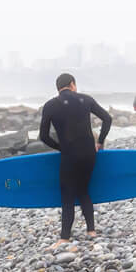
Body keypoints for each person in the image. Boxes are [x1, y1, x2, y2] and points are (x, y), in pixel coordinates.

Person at [38, 73, 111, 242]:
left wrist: (60, 147)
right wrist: (99, 142)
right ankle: (91, 230)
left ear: (58, 88)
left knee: (68, 195)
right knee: (84, 190)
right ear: (72, 84)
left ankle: (64, 237)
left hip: (69, 154)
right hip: (89, 154)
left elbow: (43, 136)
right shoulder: (86, 99)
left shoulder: (50, 105)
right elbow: (107, 119)